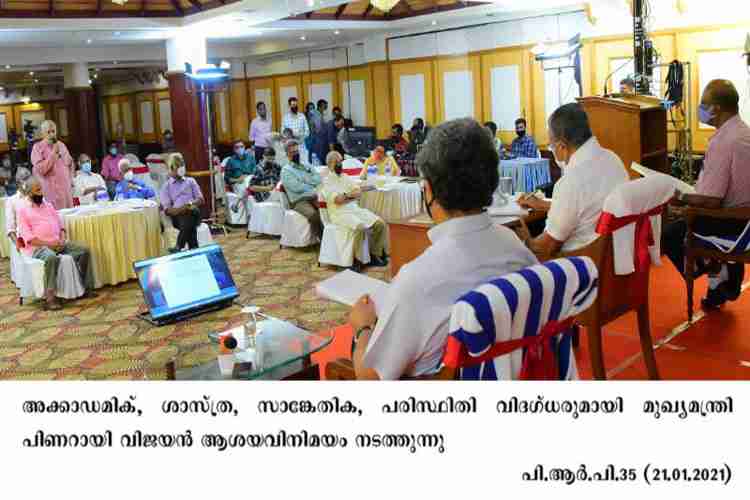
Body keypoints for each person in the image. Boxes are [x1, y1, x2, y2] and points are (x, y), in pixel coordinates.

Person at [348, 118, 538, 380]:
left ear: (428, 190)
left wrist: (363, 328)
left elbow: (371, 378)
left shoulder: (417, 280)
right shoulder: (515, 246)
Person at [663, 79, 750, 309]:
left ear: (717, 108)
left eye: (704, 103)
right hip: (745, 216)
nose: (701, 108)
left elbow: (712, 200)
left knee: (671, 234)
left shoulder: (724, 141)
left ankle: (718, 270)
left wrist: (681, 198)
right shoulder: (743, 131)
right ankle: (717, 283)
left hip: (731, 222)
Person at [519, 103, 628, 259]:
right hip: (613, 257)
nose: (552, 150)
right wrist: (543, 205)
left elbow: (544, 250)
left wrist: (522, 235)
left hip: (580, 264)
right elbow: (585, 207)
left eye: (551, 145)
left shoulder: (570, 182)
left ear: (562, 147)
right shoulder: (612, 159)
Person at [17, 176, 94, 310]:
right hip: (39, 248)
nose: (41, 192)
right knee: (51, 257)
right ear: (29, 193)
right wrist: (49, 244)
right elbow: (30, 239)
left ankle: (84, 287)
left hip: (58, 243)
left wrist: (62, 238)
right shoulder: (23, 210)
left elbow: (60, 225)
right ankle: (50, 297)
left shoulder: (48, 205)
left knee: (84, 250)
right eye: (37, 190)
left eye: (41, 189)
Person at [322, 151, 388, 270]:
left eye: (341, 161)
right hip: (339, 213)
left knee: (380, 224)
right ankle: (357, 260)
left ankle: (375, 254)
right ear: (330, 164)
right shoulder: (327, 181)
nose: (340, 164)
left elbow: (358, 192)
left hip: (354, 209)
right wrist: (349, 195)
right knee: (360, 227)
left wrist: (346, 196)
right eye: (337, 162)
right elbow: (338, 200)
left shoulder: (345, 177)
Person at [161, 153, 204, 252]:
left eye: (182, 165)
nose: (181, 168)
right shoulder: (166, 187)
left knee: (190, 213)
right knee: (188, 221)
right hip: (178, 217)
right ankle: (194, 247)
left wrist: (189, 205)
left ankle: (179, 246)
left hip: (194, 212)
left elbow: (201, 199)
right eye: (178, 166)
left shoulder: (190, 181)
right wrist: (184, 208)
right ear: (171, 169)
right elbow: (168, 210)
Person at [280, 139, 323, 240]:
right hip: (298, 201)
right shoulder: (286, 171)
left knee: (327, 210)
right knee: (314, 215)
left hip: (314, 196)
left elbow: (318, 179)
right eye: (293, 152)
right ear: (287, 154)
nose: (296, 154)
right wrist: (311, 185)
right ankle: (322, 241)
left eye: (297, 151)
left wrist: (305, 181)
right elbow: (297, 188)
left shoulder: (306, 165)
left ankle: (330, 239)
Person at [30, 120, 74, 209]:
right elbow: (41, 169)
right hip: (50, 190)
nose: (51, 134)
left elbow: (70, 163)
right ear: (43, 134)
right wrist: (53, 153)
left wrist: (70, 179)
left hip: (65, 189)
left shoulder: (61, 145)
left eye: (53, 131)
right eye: (48, 132)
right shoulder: (37, 147)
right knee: (55, 218)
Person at [5, 167, 31, 246]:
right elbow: (10, 229)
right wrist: (18, 246)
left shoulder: (37, 195)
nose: (28, 182)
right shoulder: (12, 201)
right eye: (24, 179)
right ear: (18, 183)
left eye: (29, 178)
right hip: (24, 241)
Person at [282, 97, 310, 162]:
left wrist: (300, 136)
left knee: (304, 165)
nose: (295, 107)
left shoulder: (302, 116)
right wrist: (289, 135)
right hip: (290, 148)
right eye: (293, 105)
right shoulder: (285, 118)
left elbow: (307, 132)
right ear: (289, 106)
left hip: (301, 145)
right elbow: (283, 133)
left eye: (296, 105)